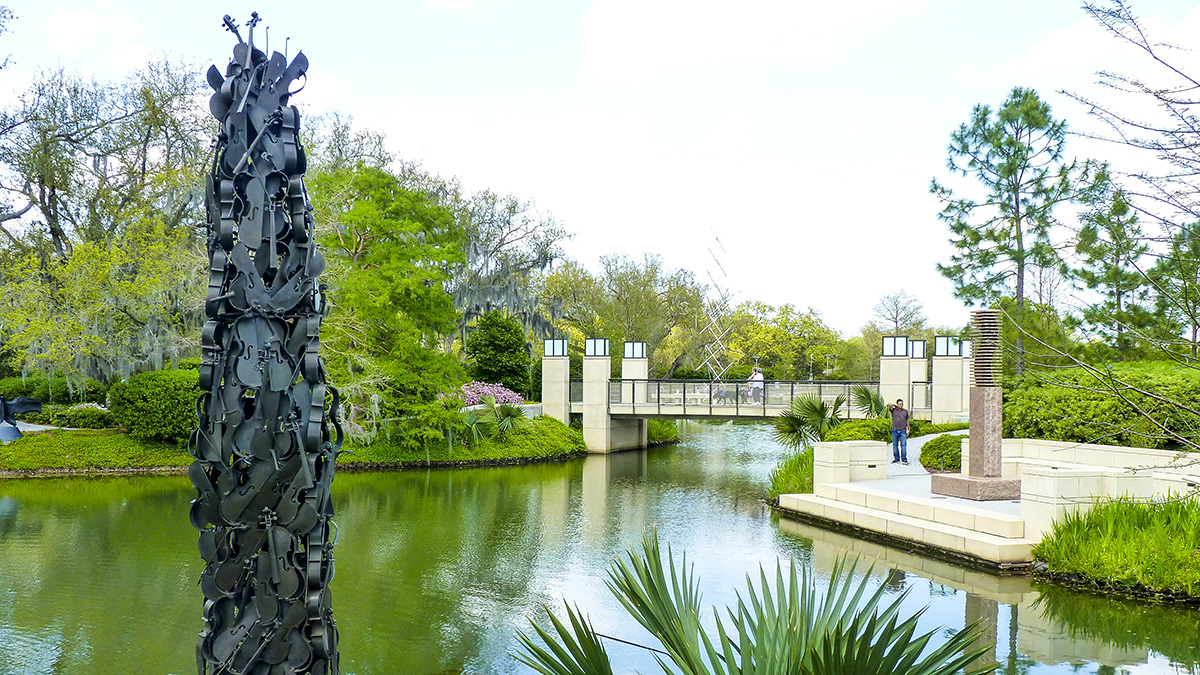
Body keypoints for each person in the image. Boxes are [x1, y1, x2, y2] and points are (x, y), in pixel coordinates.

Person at [887, 398, 910, 464]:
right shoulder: (893, 410)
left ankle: (904, 460)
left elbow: (907, 420)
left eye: (902, 404)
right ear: (897, 404)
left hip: (903, 430)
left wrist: (909, 429)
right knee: (895, 445)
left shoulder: (905, 411)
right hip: (895, 430)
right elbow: (889, 405)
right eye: (899, 404)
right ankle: (896, 459)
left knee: (903, 445)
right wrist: (895, 405)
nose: (901, 406)